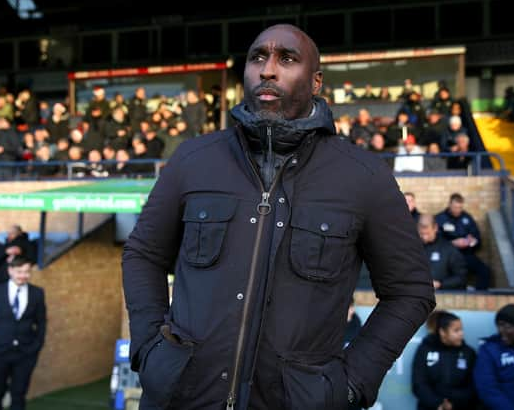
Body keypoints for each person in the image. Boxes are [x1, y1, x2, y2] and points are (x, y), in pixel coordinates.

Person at [122, 24, 436, 410]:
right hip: (178, 398)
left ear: (316, 81)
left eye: (286, 59)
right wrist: (150, 350)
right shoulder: (192, 159)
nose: (267, 70)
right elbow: (143, 254)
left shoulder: (364, 176)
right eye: (258, 57)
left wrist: (350, 384)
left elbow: (410, 291)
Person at [0, 256, 46, 410]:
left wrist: (36, 346)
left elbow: (41, 322)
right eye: (19, 271)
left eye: (27, 272)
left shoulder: (37, 293)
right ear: (10, 271)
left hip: (25, 353)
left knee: (19, 395)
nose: (23, 275)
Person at [412, 311, 478, 410]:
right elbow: (419, 383)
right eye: (456, 330)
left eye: (461, 329)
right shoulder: (425, 349)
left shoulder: (468, 353)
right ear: (442, 332)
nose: (461, 333)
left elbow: (473, 386)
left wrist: (453, 404)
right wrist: (438, 404)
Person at [435, 193, 491, 290]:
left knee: (485, 271)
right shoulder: (440, 218)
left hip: (465, 254)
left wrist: (472, 242)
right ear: (449, 205)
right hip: (447, 255)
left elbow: (477, 239)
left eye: (460, 207)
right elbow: (434, 240)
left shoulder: (467, 218)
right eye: (455, 207)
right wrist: (452, 243)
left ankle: (479, 295)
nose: (458, 210)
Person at [418, 214, 467, 290]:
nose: (424, 237)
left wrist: (440, 284)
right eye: (421, 234)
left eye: (427, 233)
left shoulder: (448, 248)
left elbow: (461, 277)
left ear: (435, 228)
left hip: (441, 295)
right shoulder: (412, 247)